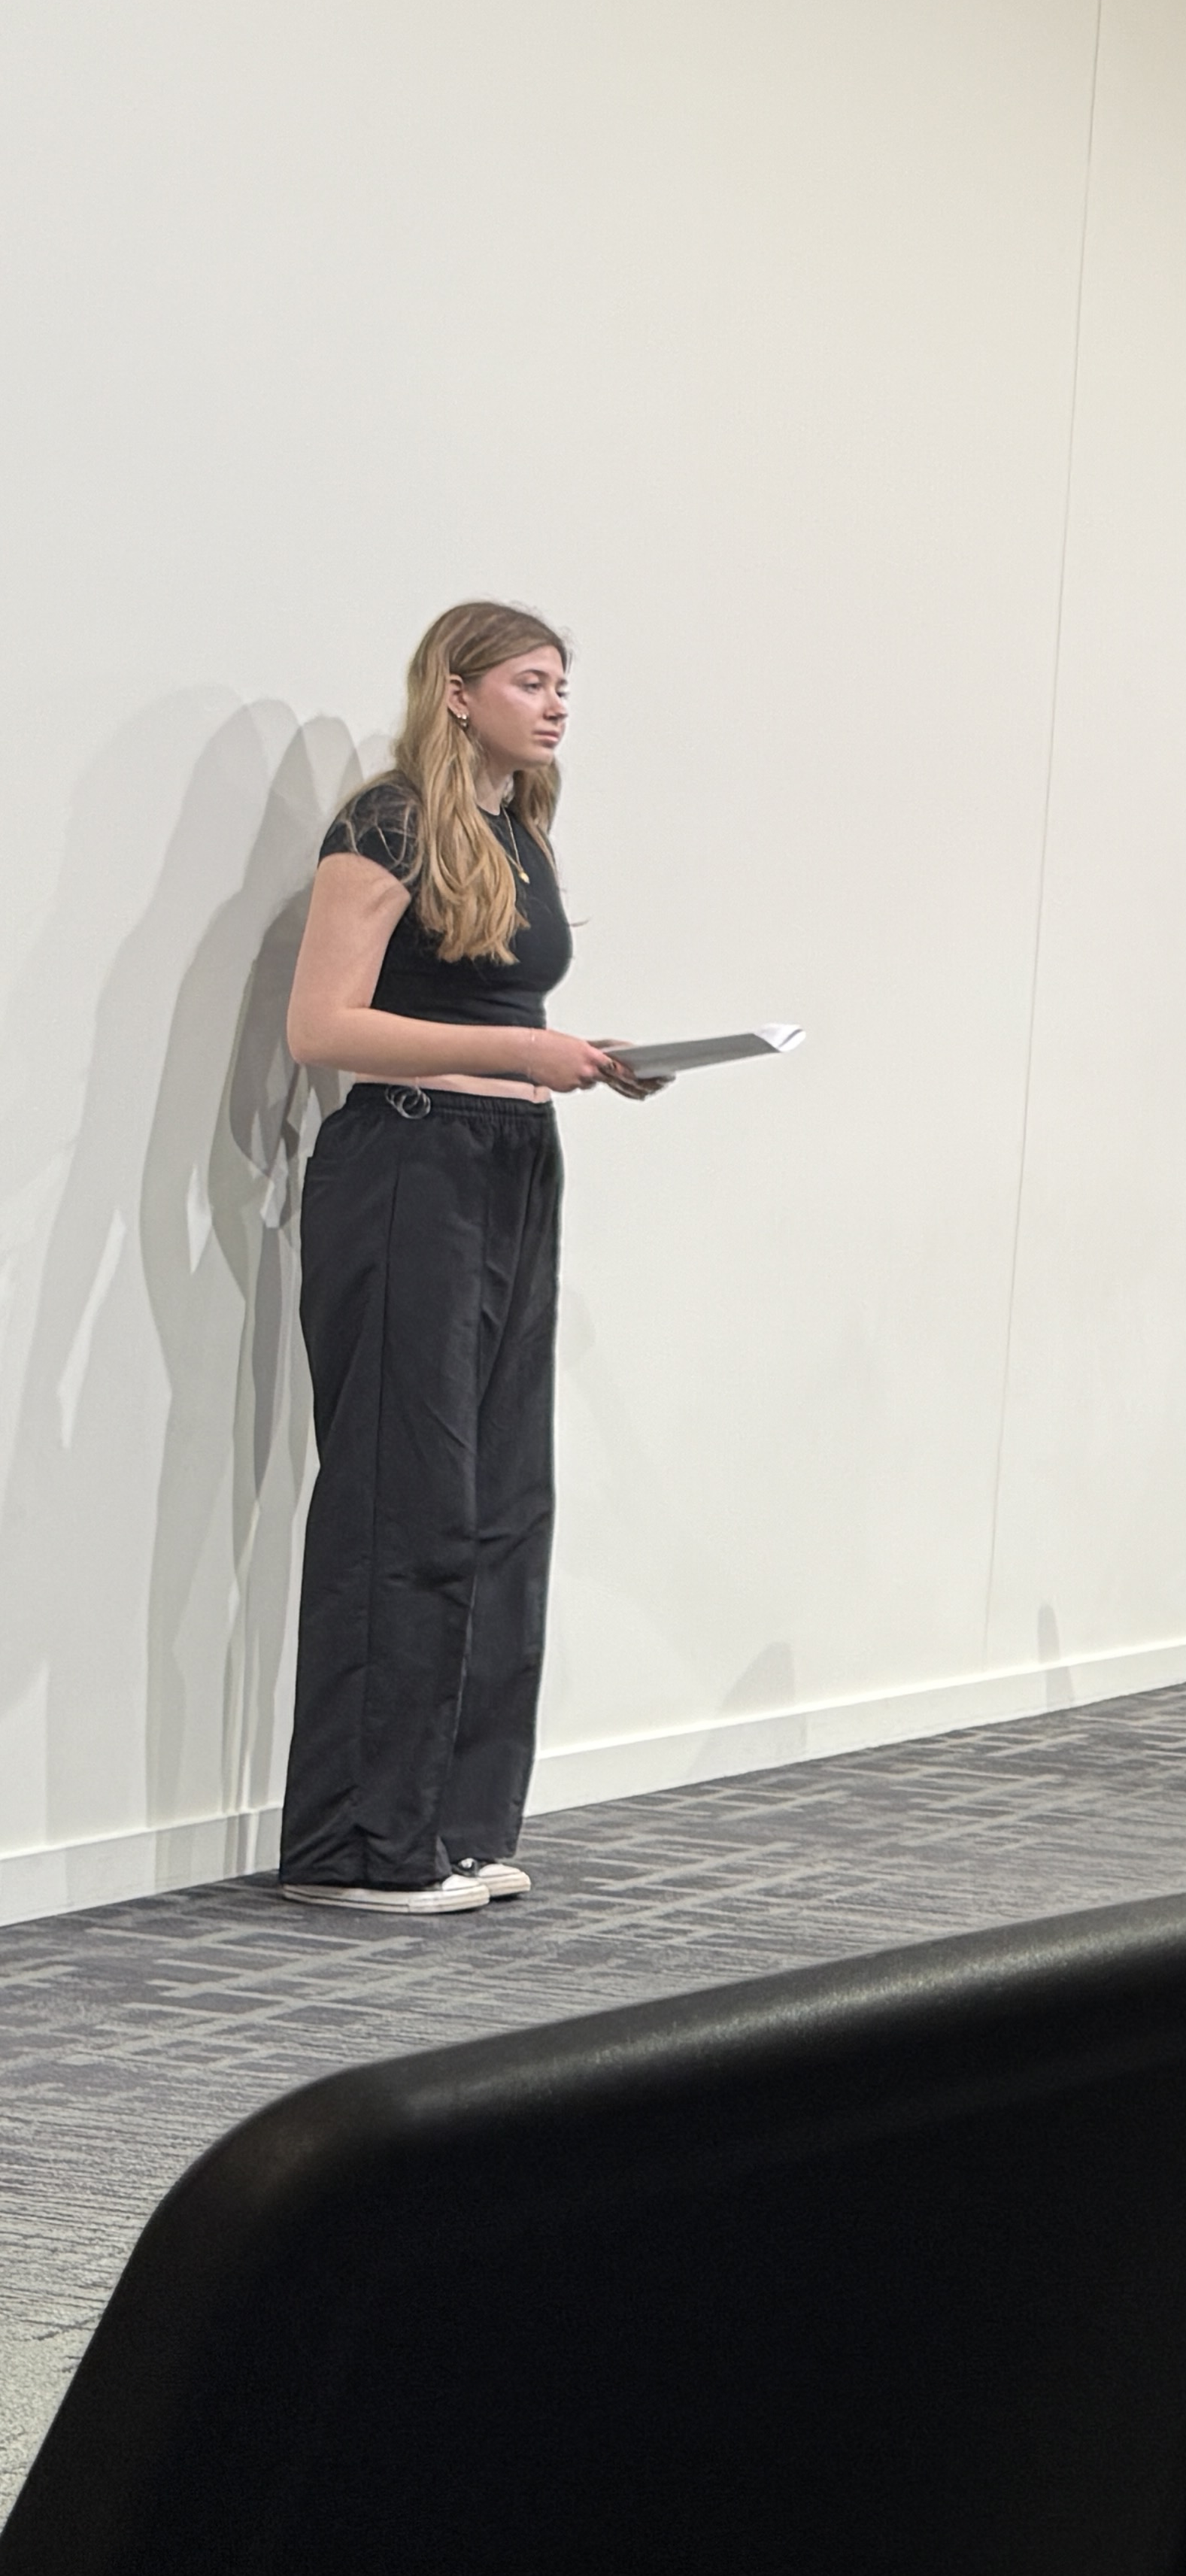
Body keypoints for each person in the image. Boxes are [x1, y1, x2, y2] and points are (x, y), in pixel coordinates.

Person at [276, 603, 668, 1915]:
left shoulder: (519, 832)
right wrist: (519, 1054)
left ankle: (452, 1828)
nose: (555, 705)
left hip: (510, 1167)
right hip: (406, 1166)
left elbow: (497, 1017)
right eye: (529, 681)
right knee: (406, 1501)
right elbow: (319, 1026)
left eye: (564, 684)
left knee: (503, 1499)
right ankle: (354, 1844)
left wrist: (584, 1064)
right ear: (455, 691)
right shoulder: (386, 824)